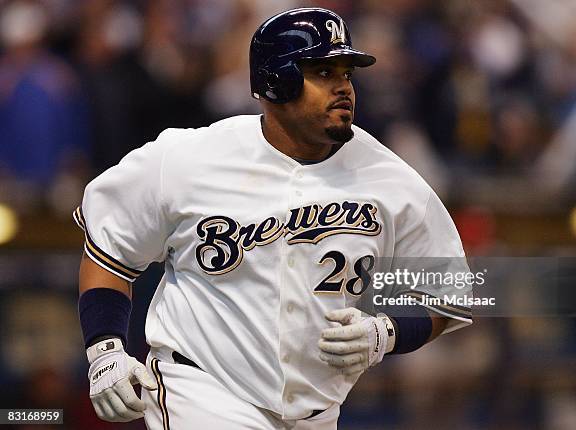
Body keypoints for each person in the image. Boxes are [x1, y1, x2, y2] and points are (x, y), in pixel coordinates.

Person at [75, 7, 473, 429]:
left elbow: (454, 296)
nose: (344, 88)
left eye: (347, 74)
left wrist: (386, 334)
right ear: (275, 81)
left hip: (317, 412)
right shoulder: (189, 158)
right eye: (324, 72)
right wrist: (105, 350)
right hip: (203, 390)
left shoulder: (391, 180)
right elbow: (109, 248)